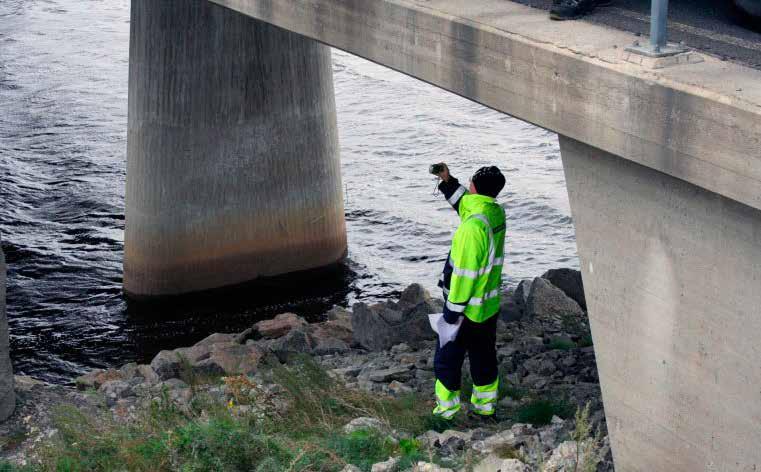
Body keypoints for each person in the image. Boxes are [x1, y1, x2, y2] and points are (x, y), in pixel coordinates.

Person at [431, 164, 506, 420]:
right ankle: (485, 410)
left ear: (474, 185)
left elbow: (464, 275)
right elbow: (465, 203)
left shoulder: (471, 228)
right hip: (488, 307)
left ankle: (446, 413)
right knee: (483, 358)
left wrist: (451, 314)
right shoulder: (494, 212)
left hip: (466, 310)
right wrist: (447, 181)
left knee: (446, 360)